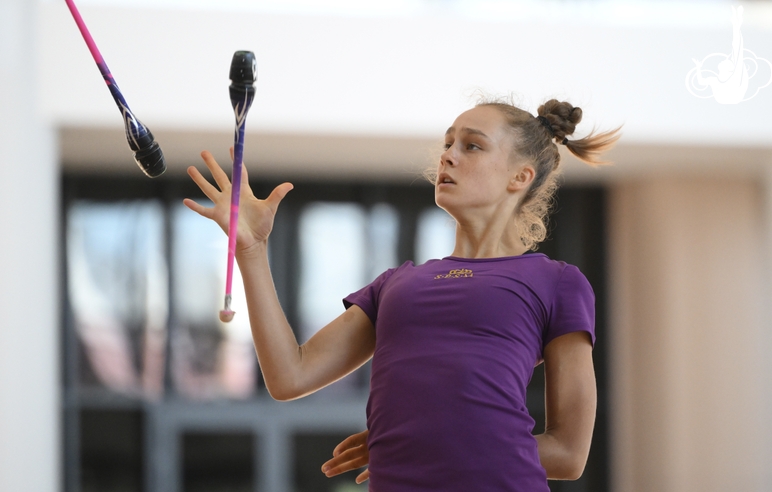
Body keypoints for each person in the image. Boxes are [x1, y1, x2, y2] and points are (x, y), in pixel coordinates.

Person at [184, 97, 621, 491]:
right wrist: (252, 250)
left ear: (519, 177)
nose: (447, 155)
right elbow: (289, 376)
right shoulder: (396, 284)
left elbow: (569, 454)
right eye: (448, 143)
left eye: (472, 146)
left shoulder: (557, 282)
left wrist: (432, 445)